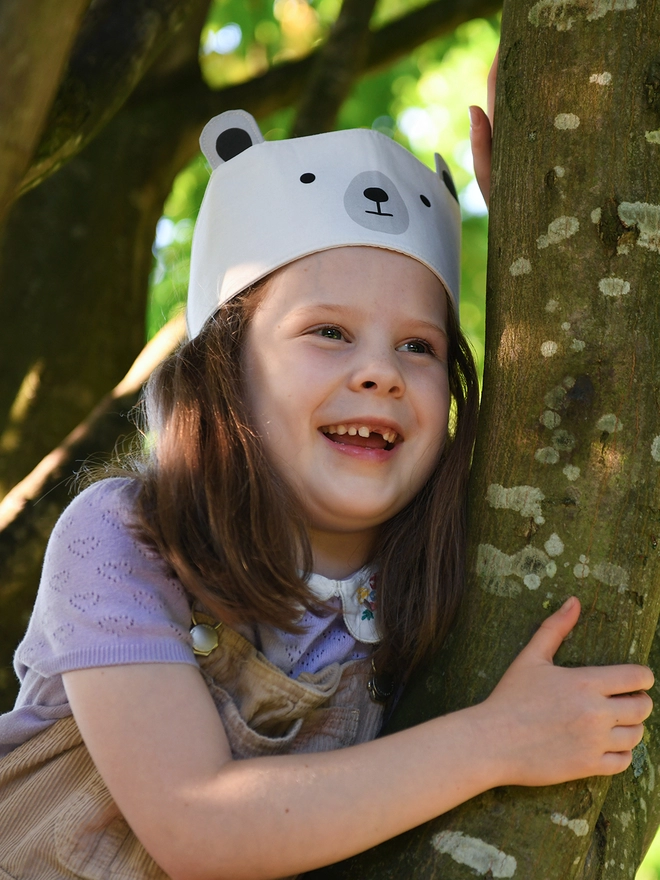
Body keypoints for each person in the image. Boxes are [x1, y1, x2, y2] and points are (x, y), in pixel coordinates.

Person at [0, 78, 653, 880]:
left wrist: (570, 243)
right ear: (224, 371)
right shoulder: (133, 538)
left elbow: (616, 444)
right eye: (329, 332)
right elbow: (196, 825)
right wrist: (498, 740)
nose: (380, 371)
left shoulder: (448, 561)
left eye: (419, 347)